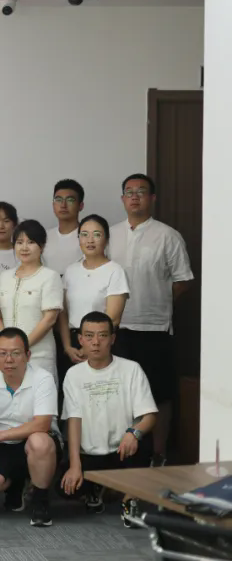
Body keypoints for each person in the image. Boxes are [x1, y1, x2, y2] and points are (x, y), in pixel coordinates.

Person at [108, 173, 193, 464]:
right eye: (129, 192)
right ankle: (121, 456)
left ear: (152, 198)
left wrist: (157, 301)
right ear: (122, 199)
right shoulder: (110, 234)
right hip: (117, 327)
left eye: (141, 192)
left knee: (159, 393)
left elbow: (182, 280)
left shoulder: (168, 235)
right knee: (120, 394)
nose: (134, 197)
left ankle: (159, 454)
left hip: (154, 327)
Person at [60, 312, 157, 521]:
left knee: (143, 440)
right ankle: (97, 488)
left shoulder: (131, 369)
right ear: (80, 340)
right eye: (89, 336)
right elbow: (73, 421)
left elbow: (149, 416)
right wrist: (75, 465)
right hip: (90, 453)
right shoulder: (73, 375)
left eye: (102, 335)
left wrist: (133, 433)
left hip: (123, 450)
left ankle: (129, 500)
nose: (96, 342)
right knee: (65, 488)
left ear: (112, 339)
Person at [0, 328, 60, 528]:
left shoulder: (43, 378)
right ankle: (17, 484)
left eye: (15, 353)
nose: (8, 360)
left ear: (28, 355)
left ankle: (40, 500)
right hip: (5, 445)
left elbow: (42, 424)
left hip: (38, 441)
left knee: (39, 442)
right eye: (2, 354)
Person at [0, 220, 63, 382]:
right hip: (7, 356)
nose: (24, 247)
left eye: (31, 242)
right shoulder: (5, 277)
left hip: (39, 354)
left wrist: (21, 346)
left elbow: (49, 319)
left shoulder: (49, 276)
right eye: (19, 242)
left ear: (42, 246)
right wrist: (6, 347)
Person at [58, 214, 130, 375]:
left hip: (101, 344)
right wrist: (67, 347)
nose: (90, 240)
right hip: (73, 345)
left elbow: (113, 318)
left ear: (106, 240)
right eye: (84, 234)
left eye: (97, 234)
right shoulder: (71, 271)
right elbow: (63, 314)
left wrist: (87, 347)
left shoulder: (115, 271)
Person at [43, 179, 85, 275]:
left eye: (70, 200)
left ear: (81, 206)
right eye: (58, 200)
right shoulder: (44, 236)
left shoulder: (89, 237)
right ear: (53, 205)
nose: (63, 205)